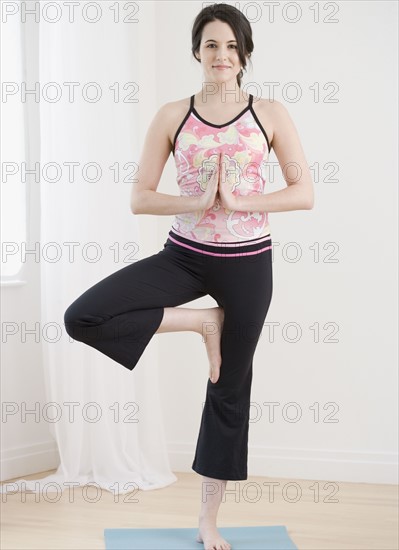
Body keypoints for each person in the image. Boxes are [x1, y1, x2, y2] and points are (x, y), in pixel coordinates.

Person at [64, 3, 314, 550]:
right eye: (210, 45)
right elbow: (140, 197)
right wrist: (196, 199)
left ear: (244, 53)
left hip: (249, 263)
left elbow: (304, 193)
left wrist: (241, 198)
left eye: (230, 46)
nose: (220, 56)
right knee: (82, 316)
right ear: (196, 52)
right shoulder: (173, 115)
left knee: (228, 389)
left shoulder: (269, 113)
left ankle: (208, 519)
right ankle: (204, 321)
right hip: (185, 254)